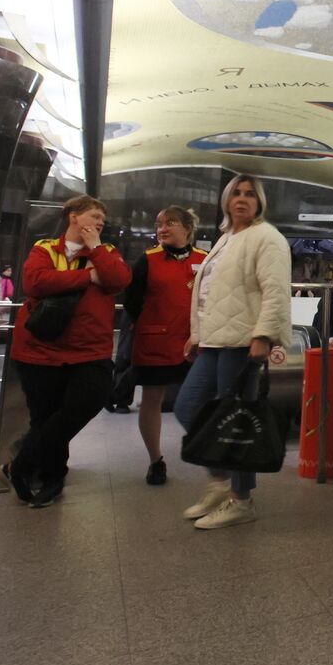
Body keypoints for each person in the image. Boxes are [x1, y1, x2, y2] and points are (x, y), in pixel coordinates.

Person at [174, 175, 293, 528]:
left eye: (250, 195)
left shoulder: (266, 237)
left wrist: (265, 334)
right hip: (215, 341)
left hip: (242, 341)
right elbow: (209, 291)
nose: (242, 199)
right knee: (189, 407)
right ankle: (221, 481)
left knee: (236, 419)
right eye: (236, 193)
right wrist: (198, 334)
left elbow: (275, 290)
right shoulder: (227, 238)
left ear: (259, 203)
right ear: (226, 200)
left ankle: (241, 499)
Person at [2, 195, 132, 507]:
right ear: (73, 216)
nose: (100, 220)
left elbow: (118, 279)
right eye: (94, 214)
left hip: (89, 351)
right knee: (45, 416)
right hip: (39, 349)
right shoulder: (45, 248)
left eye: (102, 217)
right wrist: (87, 276)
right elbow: (35, 282)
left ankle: (19, 465)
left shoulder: (107, 252)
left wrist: (97, 249)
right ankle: (52, 478)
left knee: (89, 400)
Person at [125, 207, 206, 486]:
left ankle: (212, 453)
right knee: (152, 399)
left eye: (170, 223)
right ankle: (155, 460)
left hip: (195, 343)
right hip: (155, 340)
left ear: (187, 228)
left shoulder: (204, 260)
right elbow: (132, 300)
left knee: (205, 396)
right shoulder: (147, 260)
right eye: (159, 224)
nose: (162, 228)